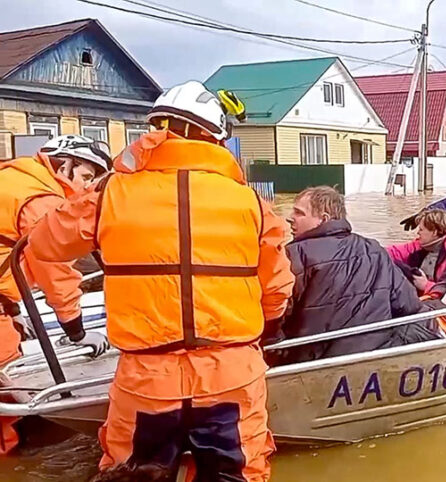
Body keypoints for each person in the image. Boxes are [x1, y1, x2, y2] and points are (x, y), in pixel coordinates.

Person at [28, 80, 295, 480]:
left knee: (131, 474)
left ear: (154, 130)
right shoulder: (252, 203)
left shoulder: (109, 193)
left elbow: (44, 245)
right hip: (231, 372)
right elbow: (277, 291)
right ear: (216, 138)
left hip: (146, 379)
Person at [0, 135, 110, 454]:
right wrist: (77, 332)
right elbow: (55, 270)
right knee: (7, 406)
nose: (87, 186)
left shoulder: (14, 177)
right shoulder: (41, 201)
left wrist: (12, 307)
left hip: (4, 303)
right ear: (64, 165)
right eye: (86, 177)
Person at [279, 186, 440, 364]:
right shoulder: (374, 249)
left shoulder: (290, 256)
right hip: (377, 352)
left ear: (323, 219)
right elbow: (408, 305)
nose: (289, 218)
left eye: (299, 213)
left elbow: (276, 315)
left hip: (314, 361)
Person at [386, 209, 446, 296]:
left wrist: (426, 285)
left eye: (421, 229)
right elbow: (394, 252)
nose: (418, 233)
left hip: (437, 302)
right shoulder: (420, 245)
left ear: (434, 232)